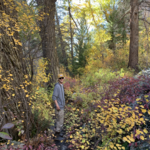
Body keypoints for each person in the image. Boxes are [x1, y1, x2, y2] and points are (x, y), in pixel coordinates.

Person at [52, 74, 65, 139]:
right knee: (60, 120)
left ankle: (57, 131)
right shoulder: (57, 86)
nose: (61, 79)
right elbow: (54, 97)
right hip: (59, 107)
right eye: (60, 78)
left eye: (62, 78)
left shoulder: (61, 85)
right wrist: (57, 105)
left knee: (59, 119)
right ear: (58, 79)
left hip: (61, 106)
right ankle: (57, 134)